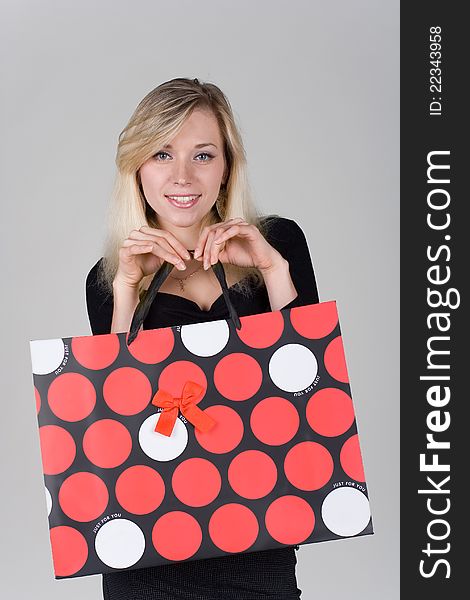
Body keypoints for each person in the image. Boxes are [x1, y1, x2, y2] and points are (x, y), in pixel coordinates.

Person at [86, 77, 320, 600]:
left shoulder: (279, 241)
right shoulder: (109, 278)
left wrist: (273, 270)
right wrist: (126, 292)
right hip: (147, 553)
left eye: (203, 154)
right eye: (162, 153)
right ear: (138, 166)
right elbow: (116, 420)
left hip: (260, 539)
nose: (182, 176)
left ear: (227, 166)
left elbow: (309, 385)